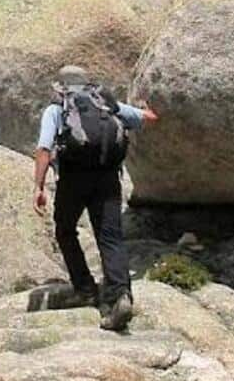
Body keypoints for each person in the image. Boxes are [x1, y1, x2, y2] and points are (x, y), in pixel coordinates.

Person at [32, 65, 157, 332]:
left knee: (65, 231)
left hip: (73, 180)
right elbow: (147, 118)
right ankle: (120, 295)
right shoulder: (104, 103)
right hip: (108, 179)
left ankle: (86, 289)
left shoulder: (57, 109)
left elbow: (44, 148)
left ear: (60, 86)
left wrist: (39, 187)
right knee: (110, 237)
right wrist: (145, 107)